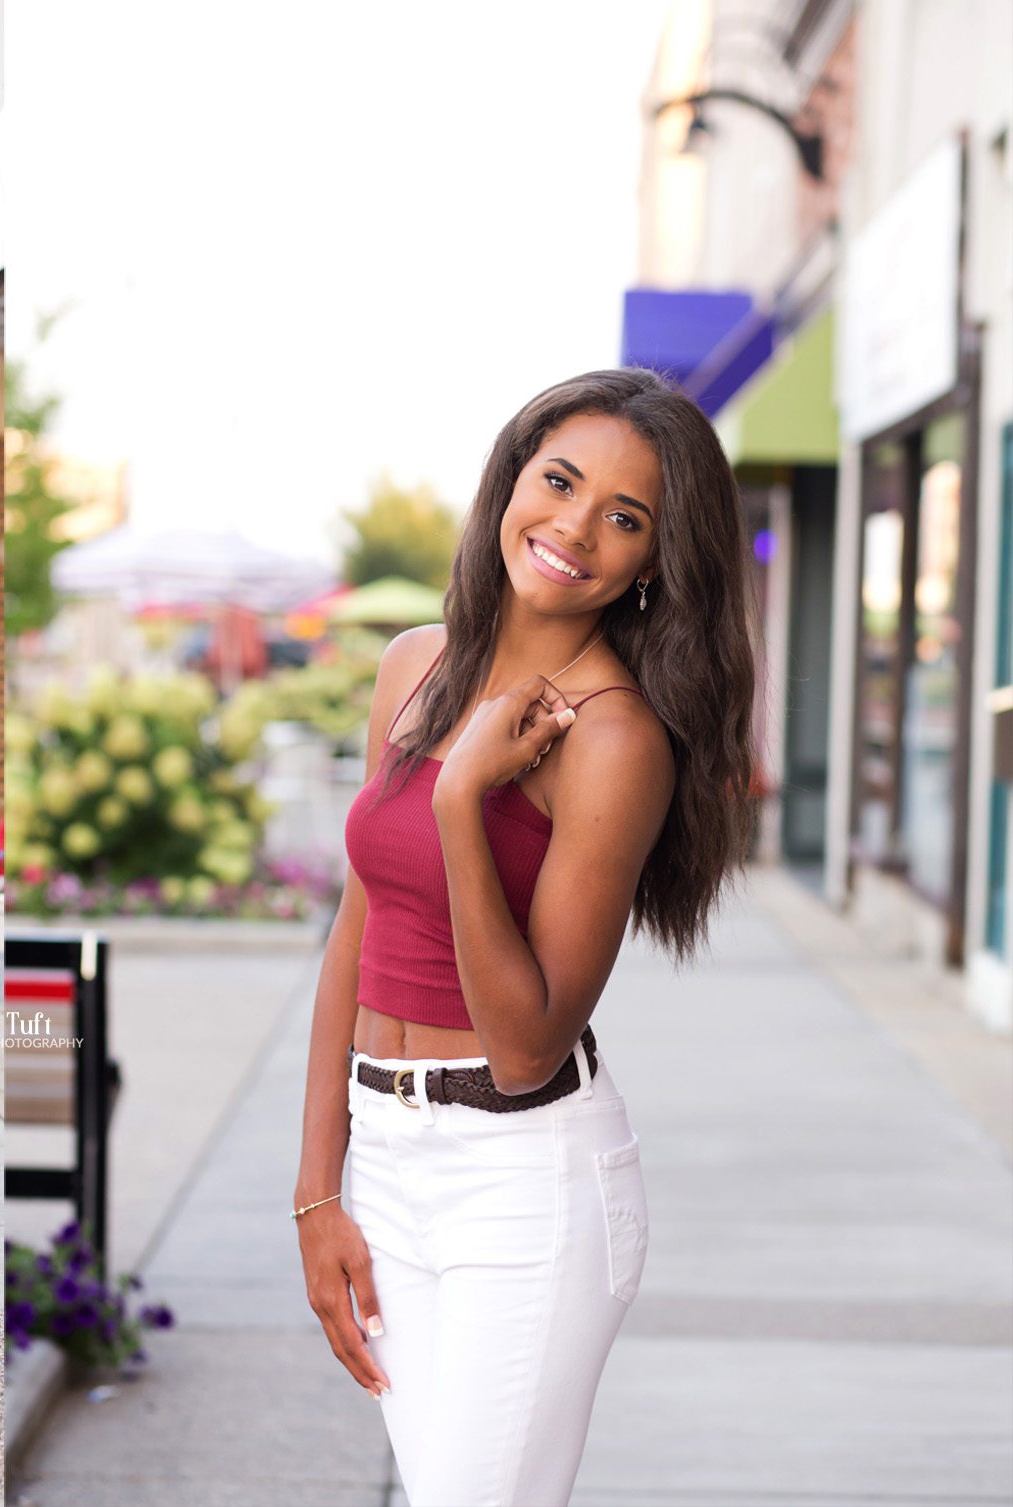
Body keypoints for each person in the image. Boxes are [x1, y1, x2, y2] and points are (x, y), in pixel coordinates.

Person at [293, 368, 756, 1505]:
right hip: (387, 1167)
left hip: (520, 1182)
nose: (572, 527)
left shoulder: (613, 739)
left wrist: (462, 803)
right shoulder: (412, 664)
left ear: (652, 561)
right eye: (557, 480)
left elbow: (523, 1046)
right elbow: (353, 933)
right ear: (510, 476)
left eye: (624, 517)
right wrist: (316, 1194)